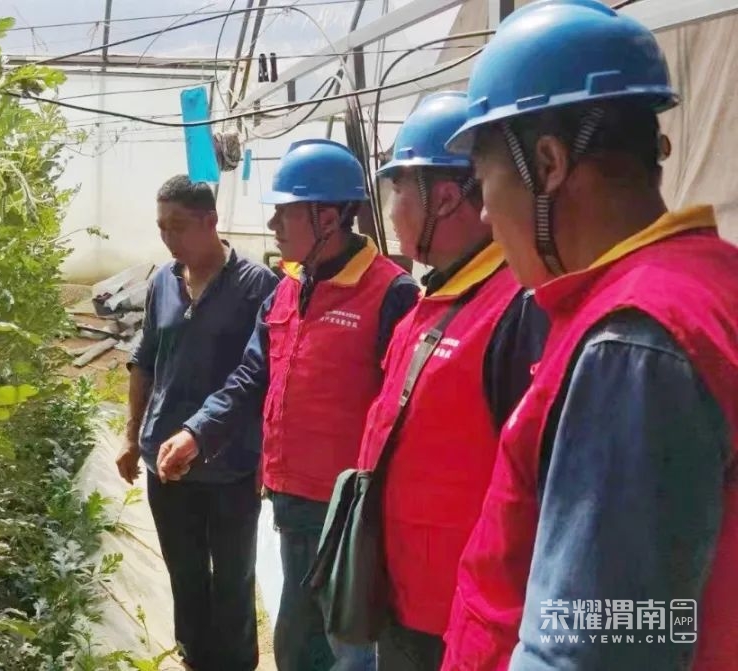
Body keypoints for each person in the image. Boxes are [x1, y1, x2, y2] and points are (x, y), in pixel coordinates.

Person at [435, 1, 738, 670]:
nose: (483, 215)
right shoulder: (708, 282)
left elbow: (588, 651)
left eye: (483, 183)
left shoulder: (632, 344)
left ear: (548, 163)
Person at [157, 139, 421, 670]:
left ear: (328, 217)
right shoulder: (289, 288)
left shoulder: (391, 295)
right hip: (291, 500)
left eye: (285, 212)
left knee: (347, 648)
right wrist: (197, 432)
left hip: (347, 512)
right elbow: (251, 375)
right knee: (300, 645)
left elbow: (404, 416)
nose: (273, 224)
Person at [356, 91, 548, 670]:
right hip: (404, 597)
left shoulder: (517, 308)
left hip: (459, 622)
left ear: (444, 198)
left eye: (397, 191)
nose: (391, 212)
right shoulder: (434, 299)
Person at [116, 175, 279, 671]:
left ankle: (235, 663)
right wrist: (131, 435)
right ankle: (193, 658)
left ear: (211, 221)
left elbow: (263, 375)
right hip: (165, 462)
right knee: (184, 574)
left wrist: (267, 453)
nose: (169, 238)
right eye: (162, 227)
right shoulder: (162, 283)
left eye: (179, 226)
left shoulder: (257, 286)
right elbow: (145, 360)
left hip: (230, 462)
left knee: (233, 576)